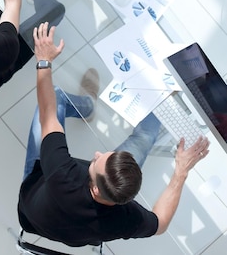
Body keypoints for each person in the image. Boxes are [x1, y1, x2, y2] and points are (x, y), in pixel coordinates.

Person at [17, 23, 210, 248]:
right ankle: (164, 90)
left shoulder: (62, 174)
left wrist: (44, 60)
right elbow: (161, 223)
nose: (97, 153)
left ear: (97, 189)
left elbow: (48, 114)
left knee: (57, 96)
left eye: (97, 160)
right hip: (67, 231)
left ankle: (87, 105)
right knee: (144, 138)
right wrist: (181, 173)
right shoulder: (125, 219)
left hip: (30, 210)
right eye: (105, 156)